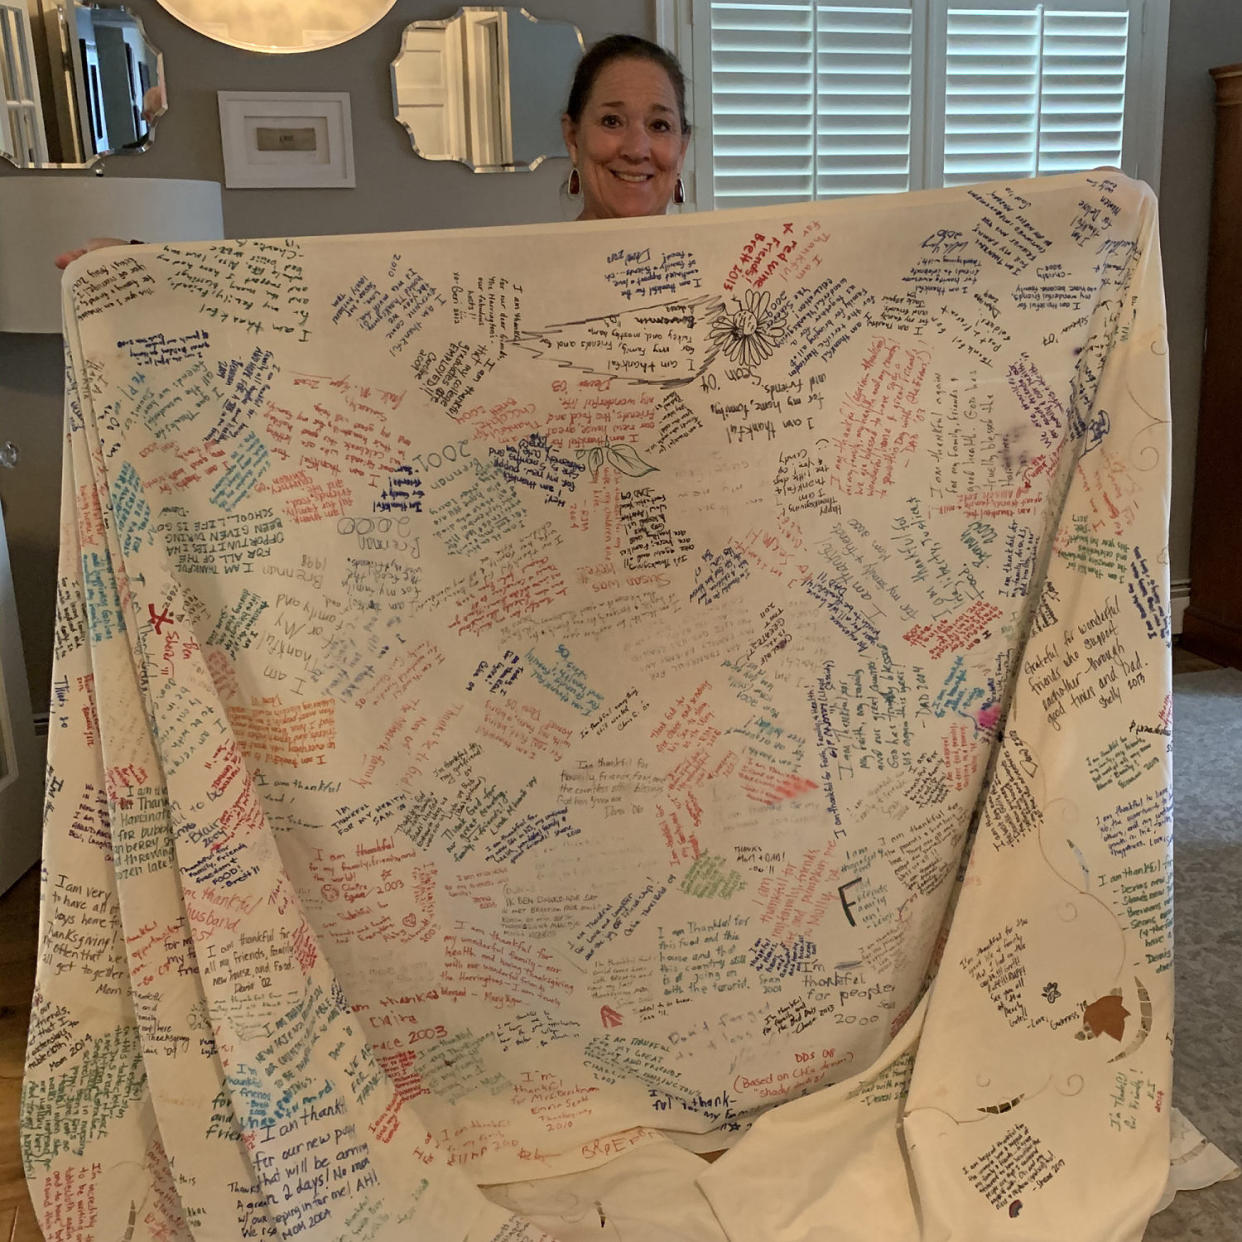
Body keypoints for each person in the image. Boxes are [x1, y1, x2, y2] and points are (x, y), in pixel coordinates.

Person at [55, 34, 690, 270]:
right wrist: (139, 272)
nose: (637, 147)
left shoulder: (744, 275)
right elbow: (320, 299)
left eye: (660, 125)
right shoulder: (507, 275)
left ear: (683, 145)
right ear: (571, 136)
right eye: (612, 120)